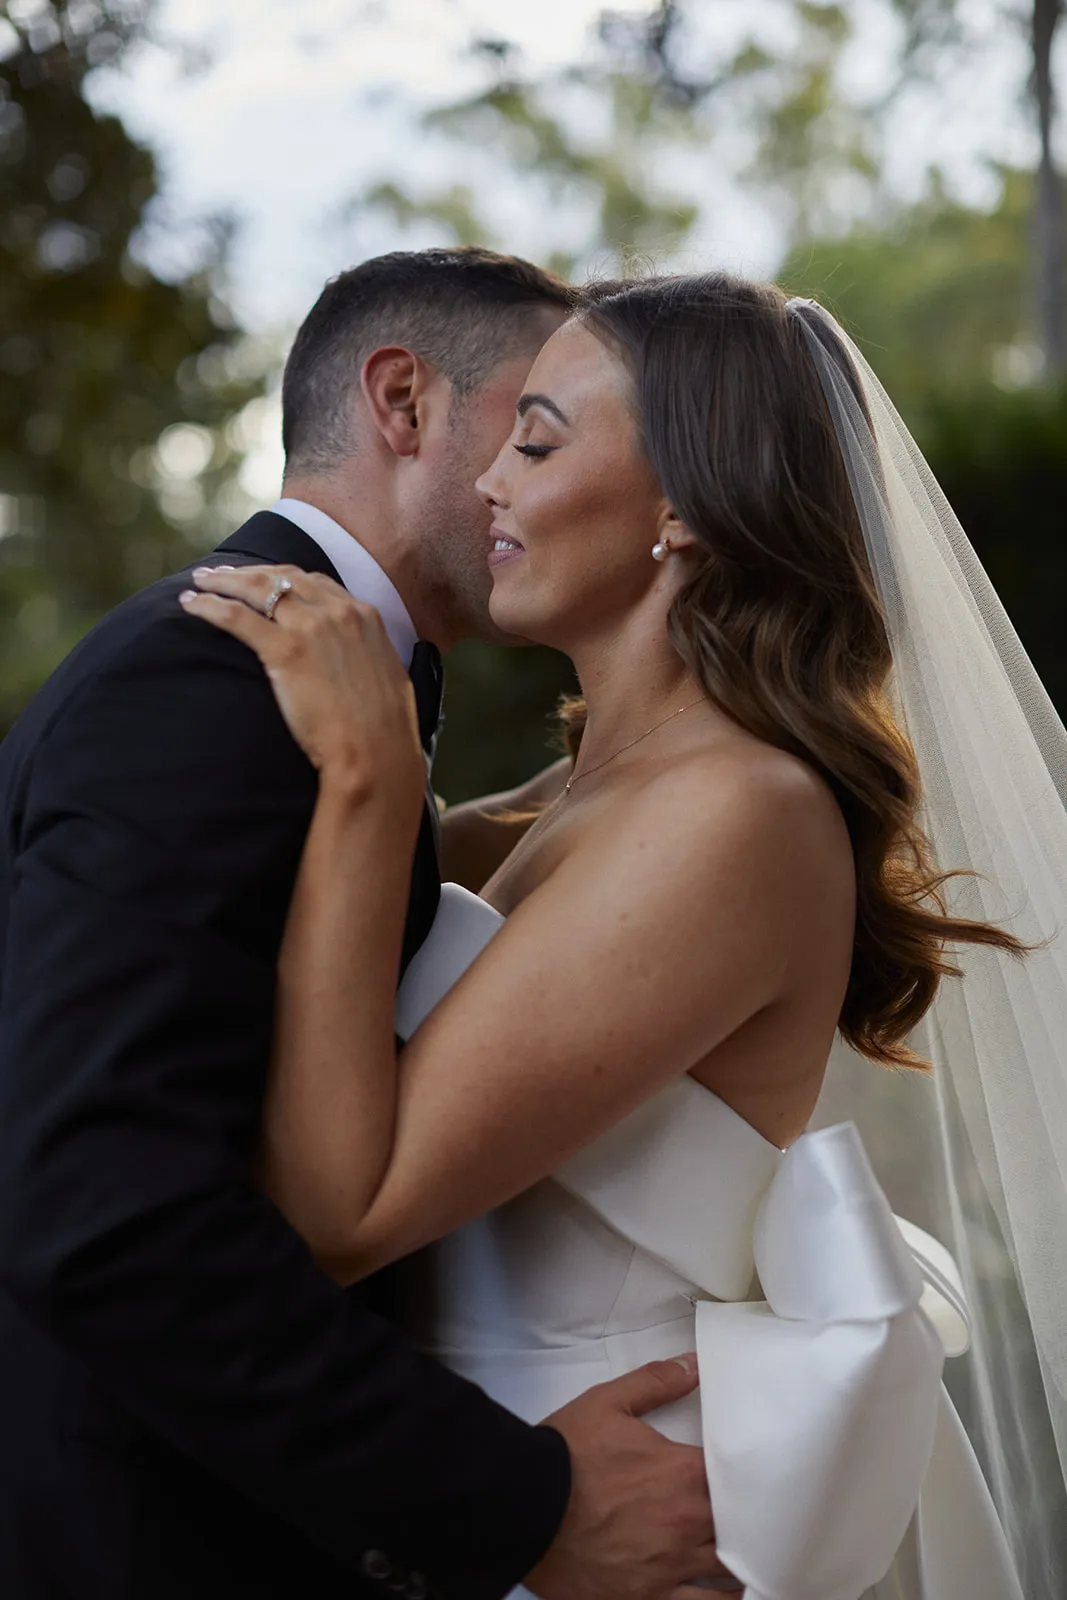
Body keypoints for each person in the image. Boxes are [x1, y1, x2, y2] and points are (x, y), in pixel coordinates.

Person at [183, 271, 1067, 1599]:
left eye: (536, 440)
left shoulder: (736, 814)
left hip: (610, 1502)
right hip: (487, 1481)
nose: (488, 481)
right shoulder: (580, 795)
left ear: (684, 509)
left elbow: (340, 1210)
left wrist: (369, 785)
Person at [0, 249, 730, 1600]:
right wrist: (513, 1508)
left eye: (547, 439)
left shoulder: (335, 703)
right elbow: (104, 1212)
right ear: (404, 403)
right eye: (519, 422)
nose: (517, 475)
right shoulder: (213, 681)